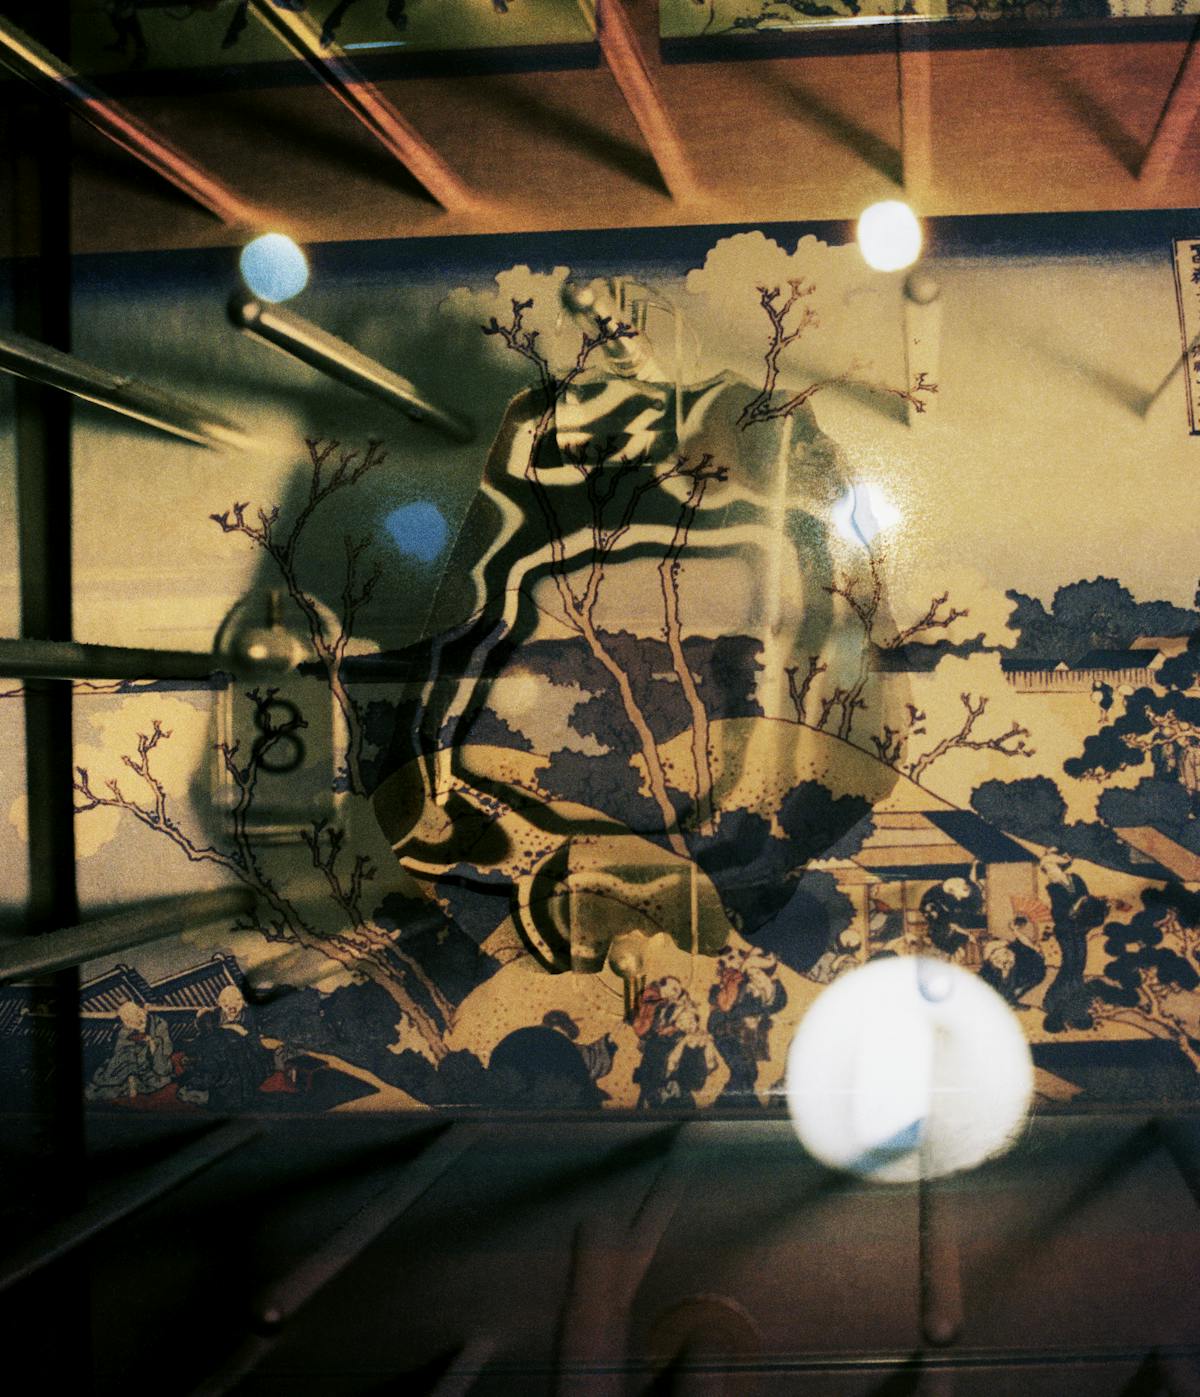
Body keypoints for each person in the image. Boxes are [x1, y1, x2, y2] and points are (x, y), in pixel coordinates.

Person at [707, 945, 787, 1105]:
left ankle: (732, 1106)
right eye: (727, 960)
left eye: (737, 956)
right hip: (726, 1034)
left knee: (750, 1072)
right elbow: (723, 1010)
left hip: (748, 1037)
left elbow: (776, 1003)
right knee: (743, 1070)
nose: (734, 961)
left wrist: (766, 986)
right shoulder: (722, 987)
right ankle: (737, 1108)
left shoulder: (754, 981)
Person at [1039, 850, 1108, 1032]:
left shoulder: (1076, 879)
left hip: (1080, 926)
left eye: (1052, 868)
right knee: (1072, 962)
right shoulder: (1054, 888)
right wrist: (1077, 906)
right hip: (1066, 928)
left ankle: (1074, 986)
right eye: (1048, 871)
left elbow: (1087, 896)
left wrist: (1088, 904)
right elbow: (1060, 913)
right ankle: (1073, 986)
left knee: (1078, 962)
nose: (1051, 873)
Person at [86, 999, 174, 1103]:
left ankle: (132, 1082)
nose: (140, 1021)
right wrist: (132, 1042)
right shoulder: (127, 1025)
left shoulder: (159, 1023)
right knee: (121, 1061)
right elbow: (120, 1045)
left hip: (151, 1061)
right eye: (129, 1021)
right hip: (128, 1060)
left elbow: (165, 1046)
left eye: (139, 1016)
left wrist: (152, 1042)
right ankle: (128, 1080)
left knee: (159, 1079)